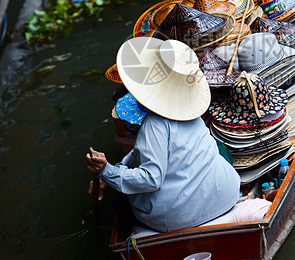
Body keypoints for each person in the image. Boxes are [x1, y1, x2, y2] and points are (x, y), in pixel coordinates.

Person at [86, 37, 241, 233]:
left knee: (120, 201)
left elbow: (151, 178)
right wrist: (113, 170)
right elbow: (143, 155)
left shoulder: (155, 123)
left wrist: (107, 172)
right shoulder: (190, 112)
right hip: (226, 195)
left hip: (180, 217)